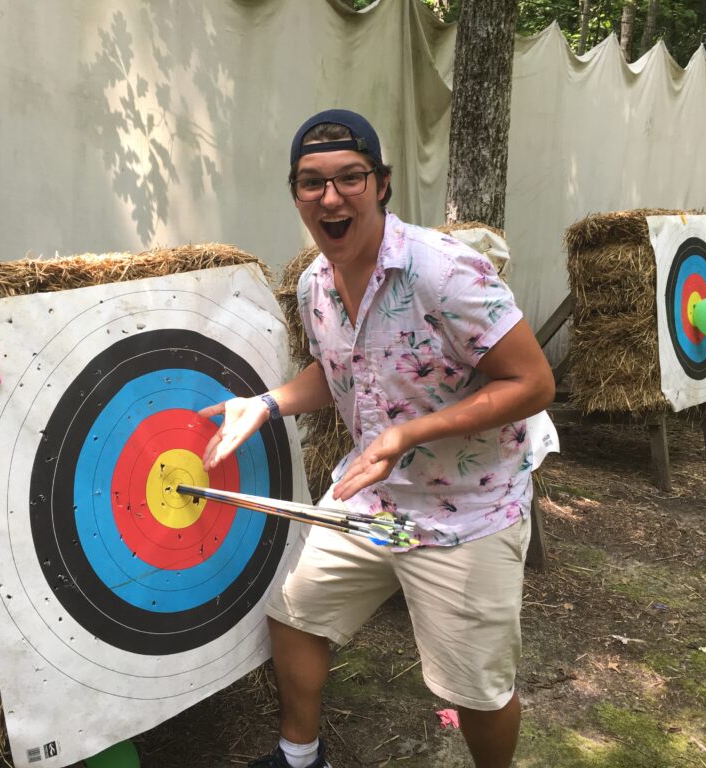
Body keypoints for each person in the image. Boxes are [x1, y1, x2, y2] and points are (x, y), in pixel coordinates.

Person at [199, 109, 555, 768]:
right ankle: (300, 756)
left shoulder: (446, 271)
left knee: (474, 691)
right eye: (311, 183)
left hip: (468, 511)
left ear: (381, 184)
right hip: (373, 500)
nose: (330, 197)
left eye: (349, 178)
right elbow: (340, 368)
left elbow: (532, 382)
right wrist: (267, 404)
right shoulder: (314, 284)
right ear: (297, 193)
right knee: (295, 614)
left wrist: (410, 433)